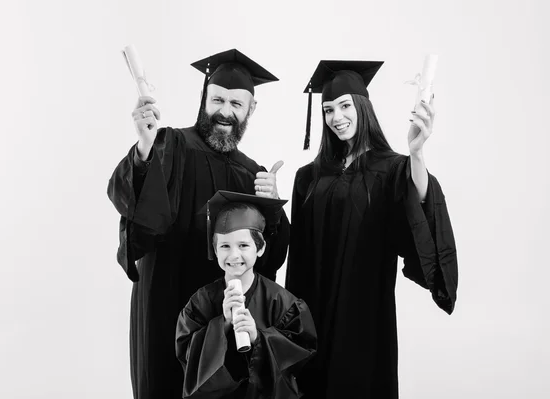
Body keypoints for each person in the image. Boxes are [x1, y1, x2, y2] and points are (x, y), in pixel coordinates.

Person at [107, 49, 290, 399]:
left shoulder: (253, 172)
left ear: (251, 110)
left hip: (221, 315)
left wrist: (274, 209)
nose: (225, 112)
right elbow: (130, 199)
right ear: (204, 98)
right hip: (165, 303)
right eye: (218, 99)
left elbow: (270, 258)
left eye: (237, 104)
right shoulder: (170, 144)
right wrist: (144, 149)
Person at [285, 60, 458, 399]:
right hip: (313, 316)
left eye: (345, 105)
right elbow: (298, 258)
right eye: (328, 109)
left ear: (363, 107)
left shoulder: (391, 170)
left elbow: (418, 206)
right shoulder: (308, 176)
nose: (337, 117)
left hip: (364, 316)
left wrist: (417, 154)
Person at [176, 191, 317, 398]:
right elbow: (187, 355)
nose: (234, 255)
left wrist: (258, 338)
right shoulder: (201, 302)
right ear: (215, 251)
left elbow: (300, 358)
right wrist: (221, 324)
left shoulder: (283, 303)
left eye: (243, 245)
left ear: (259, 249)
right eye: (225, 246)